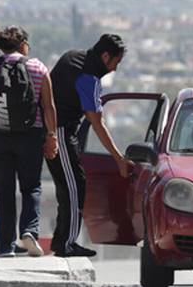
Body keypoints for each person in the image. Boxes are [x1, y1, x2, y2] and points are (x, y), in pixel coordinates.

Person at [46, 33, 134, 257]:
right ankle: (66, 243)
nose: (114, 69)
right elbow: (97, 122)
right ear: (106, 56)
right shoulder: (89, 77)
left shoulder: (73, 56)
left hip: (52, 131)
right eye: (116, 62)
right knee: (74, 186)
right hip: (61, 131)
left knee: (69, 186)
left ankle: (61, 240)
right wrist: (119, 159)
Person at [0, 26, 58, 257]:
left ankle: (5, 246)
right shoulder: (37, 67)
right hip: (30, 135)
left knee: (3, 191)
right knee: (31, 186)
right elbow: (48, 106)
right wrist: (51, 136)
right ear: (22, 44)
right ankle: (30, 231)